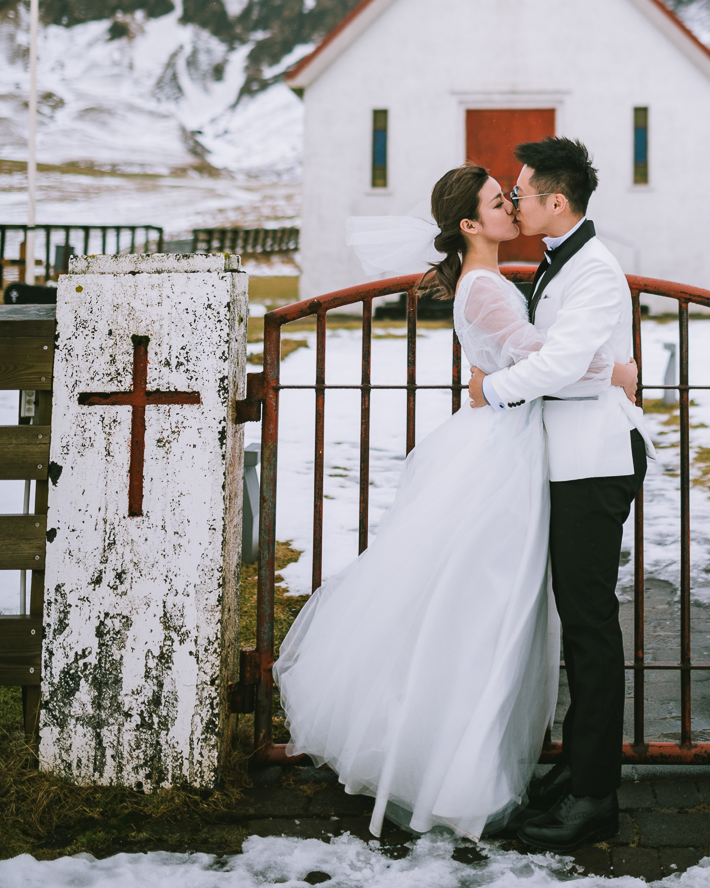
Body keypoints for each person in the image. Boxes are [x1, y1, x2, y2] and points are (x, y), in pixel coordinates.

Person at [272, 163, 638, 842]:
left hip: (522, 447)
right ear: (469, 224)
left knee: (493, 607)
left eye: (515, 197)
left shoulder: (497, 280)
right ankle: (467, 767)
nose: (512, 206)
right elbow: (545, 358)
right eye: (500, 201)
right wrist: (617, 371)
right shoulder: (486, 287)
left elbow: (527, 358)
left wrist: (500, 378)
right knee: (481, 610)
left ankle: (534, 769)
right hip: (501, 451)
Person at [468, 137, 653, 852]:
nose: (514, 202)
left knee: (590, 627)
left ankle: (595, 797)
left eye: (521, 193)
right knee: (577, 623)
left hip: (594, 463)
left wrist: (491, 392)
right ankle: (576, 767)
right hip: (566, 460)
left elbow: (564, 363)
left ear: (557, 200)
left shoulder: (595, 270)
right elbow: (564, 360)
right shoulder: (561, 260)